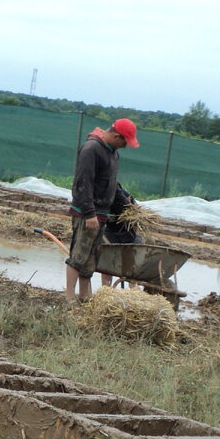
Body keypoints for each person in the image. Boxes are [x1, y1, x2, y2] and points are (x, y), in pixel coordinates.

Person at [66, 118, 139, 302]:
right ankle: (69, 298)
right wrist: (89, 214)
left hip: (102, 214)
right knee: (78, 257)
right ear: (116, 136)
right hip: (87, 214)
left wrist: (129, 208)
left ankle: (84, 296)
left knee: (91, 260)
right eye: (124, 142)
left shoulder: (113, 153)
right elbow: (84, 183)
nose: (125, 146)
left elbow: (112, 186)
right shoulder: (91, 150)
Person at [98, 184, 143, 287]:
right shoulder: (101, 198)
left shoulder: (126, 198)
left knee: (130, 264)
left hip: (128, 232)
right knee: (107, 263)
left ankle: (133, 289)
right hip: (110, 231)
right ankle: (106, 290)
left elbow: (137, 217)